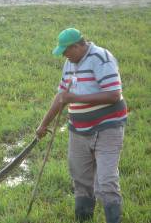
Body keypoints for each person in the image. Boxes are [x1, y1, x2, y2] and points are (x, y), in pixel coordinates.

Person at [36, 28, 127, 223]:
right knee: (80, 179)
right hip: (78, 130)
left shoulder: (101, 58)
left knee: (106, 181)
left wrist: (76, 98)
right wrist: (43, 124)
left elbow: (114, 95)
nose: (64, 56)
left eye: (65, 51)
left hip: (107, 128)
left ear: (77, 46)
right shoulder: (70, 63)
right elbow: (61, 97)